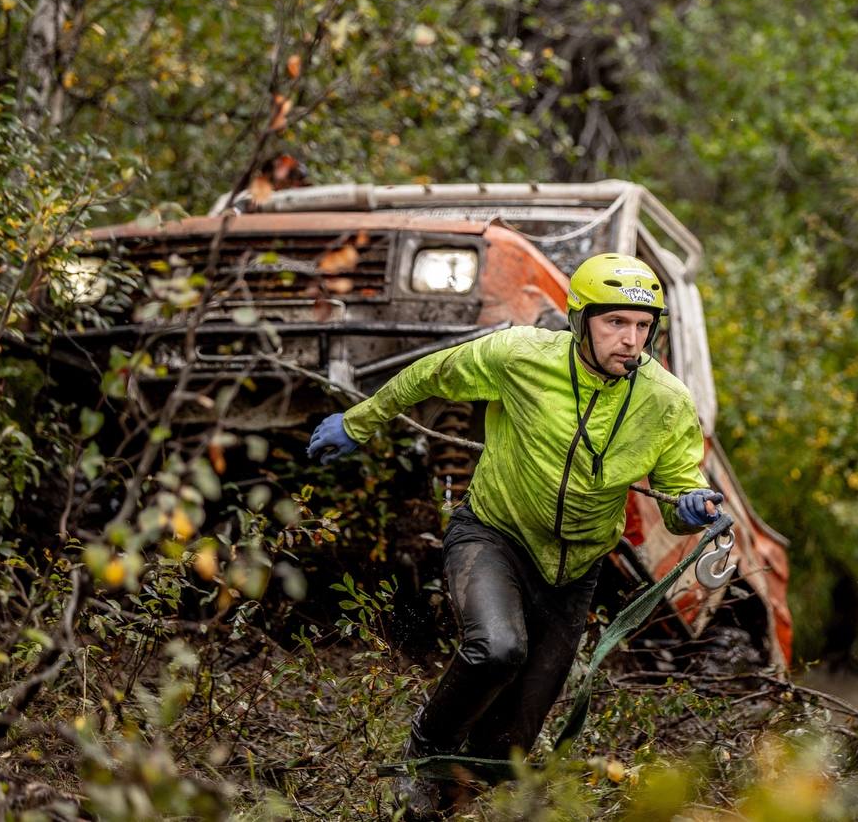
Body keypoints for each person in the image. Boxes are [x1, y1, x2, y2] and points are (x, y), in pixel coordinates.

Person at [306, 252, 724, 819]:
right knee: (497, 648)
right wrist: (359, 422)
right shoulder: (519, 355)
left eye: (643, 327)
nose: (631, 340)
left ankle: (429, 811)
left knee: (508, 747)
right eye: (615, 323)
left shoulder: (666, 401)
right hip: (493, 535)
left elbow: (679, 491)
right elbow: (431, 373)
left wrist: (693, 507)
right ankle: (421, 753)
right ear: (581, 320)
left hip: (574, 573)